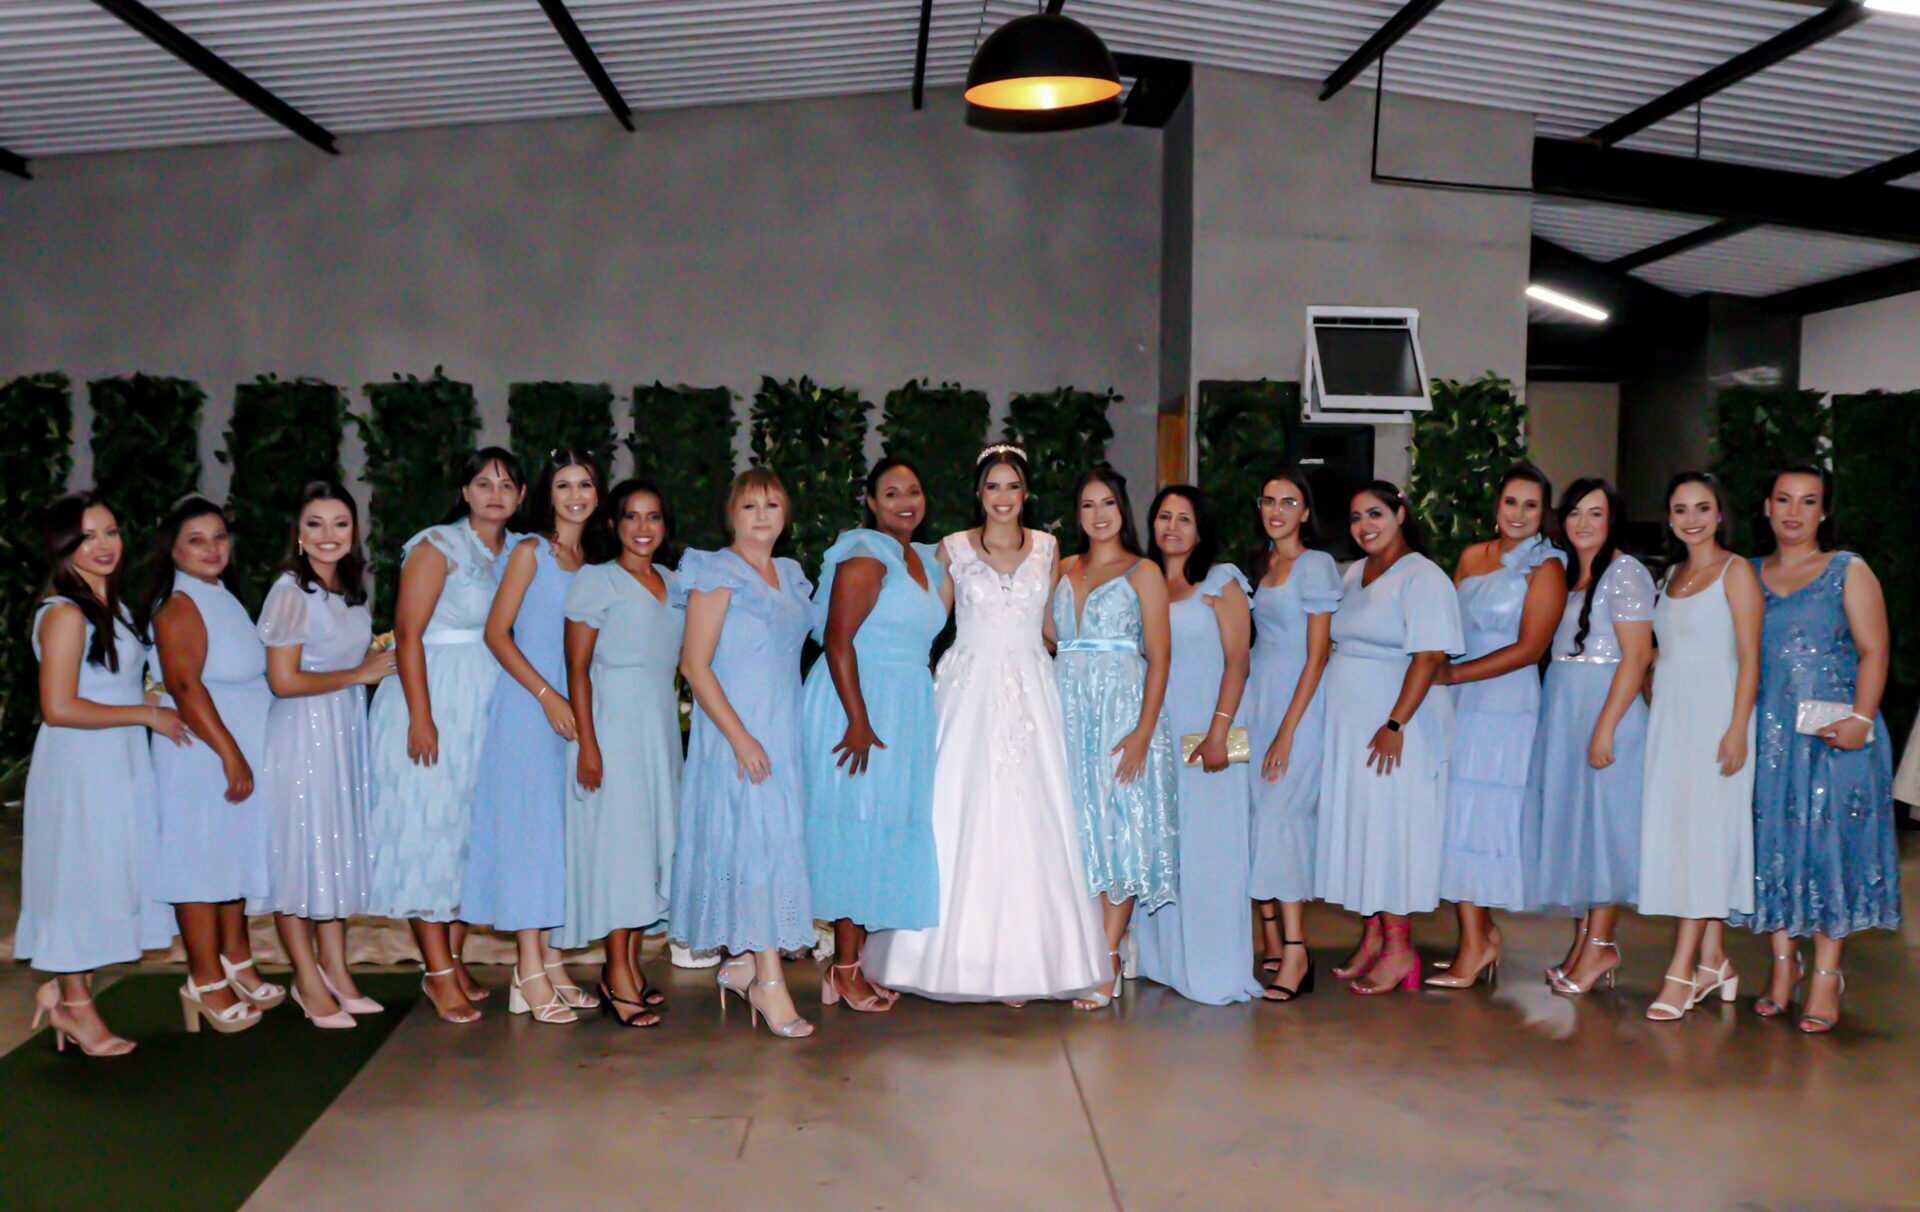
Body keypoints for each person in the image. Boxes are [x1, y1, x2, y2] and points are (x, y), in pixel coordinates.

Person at [864, 446, 1108, 1004]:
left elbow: (1053, 626)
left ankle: (1029, 963)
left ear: (1026, 493)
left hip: (1032, 690)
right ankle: (947, 959)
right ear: (979, 493)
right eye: (993, 486)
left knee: (1034, 818)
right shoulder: (952, 548)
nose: (1003, 497)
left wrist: (1104, 659)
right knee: (957, 810)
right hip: (967, 686)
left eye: (1013, 486)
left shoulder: (1048, 548)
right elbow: (930, 620)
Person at [19, 493, 187, 1055]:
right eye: (88, 536)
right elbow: (58, 707)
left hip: (117, 758)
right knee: (76, 879)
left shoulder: (110, 607)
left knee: (103, 876)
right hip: (79, 765)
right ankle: (76, 1008)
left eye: (111, 532)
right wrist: (146, 714)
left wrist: (159, 701)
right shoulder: (65, 613)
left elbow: (114, 686)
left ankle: (65, 992)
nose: (104, 545)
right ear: (63, 545)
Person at [1740, 464, 1900, 1033]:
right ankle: (1783, 966)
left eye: (1808, 501)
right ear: (1766, 505)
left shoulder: (1847, 570)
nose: (1794, 512)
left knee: (1830, 848)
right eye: (1784, 499)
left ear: (1824, 510)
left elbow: (1875, 649)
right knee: (1772, 846)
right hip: (1769, 738)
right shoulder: (1746, 573)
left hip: (1835, 738)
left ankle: (1828, 975)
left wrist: (1861, 718)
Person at [368, 448, 525, 1024]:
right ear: (465, 492)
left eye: (506, 486)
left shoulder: (518, 551)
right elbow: (407, 633)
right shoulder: (436, 546)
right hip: (432, 696)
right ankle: (436, 973)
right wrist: (421, 715)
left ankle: (453, 960)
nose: (494, 495)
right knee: (428, 830)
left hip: (487, 702)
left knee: (464, 835)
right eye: (483, 484)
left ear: (521, 496)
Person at [669, 468, 817, 1039]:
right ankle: (769, 982)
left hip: (783, 729)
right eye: (750, 505)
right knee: (756, 847)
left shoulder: (791, 574)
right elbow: (693, 664)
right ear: (731, 513)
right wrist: (740, 737)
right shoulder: (716, 571)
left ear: (785, 515)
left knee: (776, 847)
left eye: (772, 505)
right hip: (736, 732)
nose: (761, 516)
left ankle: (745, 967)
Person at [801, 459, 948, 1013]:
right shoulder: (866, 552)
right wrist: (858, 720)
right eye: (891, 493)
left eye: (913, 491)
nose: (904, 502)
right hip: (857, 702)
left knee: (880, 826)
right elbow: (838, 639)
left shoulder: (924, 560)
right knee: (856, 826)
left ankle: (850, 965)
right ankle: (843, 969)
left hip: (903, 704)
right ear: (871, 501)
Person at [464, 451, 602, 1025]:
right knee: (530, 834)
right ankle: (527, 970)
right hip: (529, 707)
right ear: (547, 494)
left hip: (576, 711)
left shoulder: (591, 561)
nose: (575, 495)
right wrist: (547, 696)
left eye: (585, 484)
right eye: (564, 485)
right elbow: (497, 634)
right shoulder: (529, 552)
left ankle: (550, 962)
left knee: (559, 838)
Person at [1315, 481, 1463, 996]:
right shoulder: (1354, 573)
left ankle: (1401, 949)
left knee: (1390, 831)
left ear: (1400, 514)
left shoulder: (1423, 577)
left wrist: (1395, 723)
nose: (1365, 526)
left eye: (1375, 514)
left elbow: (1428, 657)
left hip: (1397, 726)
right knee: (1365, 828)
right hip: (1352, 727)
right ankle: (1374, 936)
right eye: (1356, 518)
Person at [258, 482, 396, 1028]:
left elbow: (346, 657)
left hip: (341, 730)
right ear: (297, 533)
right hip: (301, 734)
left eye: (340, 523)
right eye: (314, 524)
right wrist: (359, 673)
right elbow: (283, 680)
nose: (328, 535)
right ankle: (306, 978)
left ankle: (336, 970)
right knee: (300, 854)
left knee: (331, 851)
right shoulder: (290, 592)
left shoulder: (347, 590)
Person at [1428, 464, 1567, 988]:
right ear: (1497, 506)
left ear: (1543, 513)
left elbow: (1531, 648)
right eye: (1511, 502)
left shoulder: (1546, 567)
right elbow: (1446, 626)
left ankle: (1475, 944)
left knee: (1483, 817)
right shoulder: (1470, 557)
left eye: (1531, 506)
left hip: (1506, 702)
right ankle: (1479, 935)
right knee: (1454, 816)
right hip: (1458, 699)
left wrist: (1455, 674)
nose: (1519, 514)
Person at [144, 495, 278, 1033]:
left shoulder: (220, 595)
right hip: (201, 753)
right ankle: (203, 978)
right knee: (199, 862)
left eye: (219, 536)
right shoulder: (180, 604)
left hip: (230, 744)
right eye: (196, 540)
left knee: (230, 855)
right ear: (173, 550)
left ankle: (235, 959)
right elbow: (184, 686)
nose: (211, 548)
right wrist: (230, 753)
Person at [1050, 466, 1179, 1011]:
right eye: (1087, 505)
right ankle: (1078, 952)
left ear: (1122, 509)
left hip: (1121, 712)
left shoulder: (1143, 572)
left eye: (1106, 503)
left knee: (1119, 825)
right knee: (1077, 830)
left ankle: (1107, 959)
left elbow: (1161, 657)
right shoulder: (1062, 567)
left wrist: (1143, 732)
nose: (1098, 514)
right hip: (1066, 710)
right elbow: (1045, 633)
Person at [561, 480, 685, 1028]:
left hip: (658, 729)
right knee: (620, 852)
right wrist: (589, 744)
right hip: (611, 726)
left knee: (647, 845)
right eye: (631, 517)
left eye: (653, 517)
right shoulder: (596, 580)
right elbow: (576, 669)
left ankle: (630, 966)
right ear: (613, 524)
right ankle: (615, 975)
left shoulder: (676, 584)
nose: (643, 528)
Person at [1638, 472, 1761, 1022]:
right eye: (1681, 509)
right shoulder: (1670, 576)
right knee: (1683, 839)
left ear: (1719, 514)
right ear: (1670, 517)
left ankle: (1681, 971)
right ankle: (1714, 962)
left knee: (1705, 842)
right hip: (1672, 726)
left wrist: (1736, 728)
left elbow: (1751, 657)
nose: (1692, 519)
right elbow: (1663, 653)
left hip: (1718, 724)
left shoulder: (1737, 572)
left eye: (1702, 508)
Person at [1527, 479, 1655, 997]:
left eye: (1595, 513)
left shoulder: (1625, 572)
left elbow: (1637, 656)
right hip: (1567, 709)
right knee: (1579, 829)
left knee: (1604, 830)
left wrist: (1605, 727)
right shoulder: (1569, 572)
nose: (1583, 523)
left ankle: (1601, 944)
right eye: (1575, 512)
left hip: (1606, 712)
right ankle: (1584, 940)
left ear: (1612, 520)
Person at [1134, 485, 1261, 1005]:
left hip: (1208, 733)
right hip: (1155, 734)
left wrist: (1218, 732)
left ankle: (1213, 968)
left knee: (1210, 851)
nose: (1172, 527)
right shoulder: (1141, 581)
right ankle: (1164, 961)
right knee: (1163, 847)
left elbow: (1238, 661)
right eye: (1164, 516)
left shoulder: (1219, 581)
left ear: (1201, 529)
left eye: (1184, 518)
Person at [1242, 468, 1341, 1002]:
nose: (1276, 511)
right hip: (1257, 697)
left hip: (1298, 705)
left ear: (1305, 512)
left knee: (1282, 820)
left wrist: (1286, 732)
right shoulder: (1260, 562)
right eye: (1269, 501)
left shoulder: (1316, 565)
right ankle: (1273, 940)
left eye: (1288, 502)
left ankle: (1299, 950)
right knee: (1256, 817)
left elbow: (1317, 654)